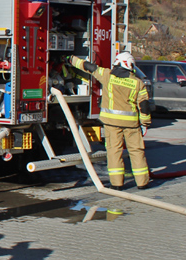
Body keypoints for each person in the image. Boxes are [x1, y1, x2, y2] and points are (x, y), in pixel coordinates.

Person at [65, 51, 152, 190]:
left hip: (111, 123)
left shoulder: (108, 76)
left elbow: (89, 67)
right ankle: (142, 182)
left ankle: (117, 184)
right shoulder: (138, 83)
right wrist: (145, 123)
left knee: (114, 152)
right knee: (136, 151)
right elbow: (144, 106)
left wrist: (71, 59)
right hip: (132, 124)